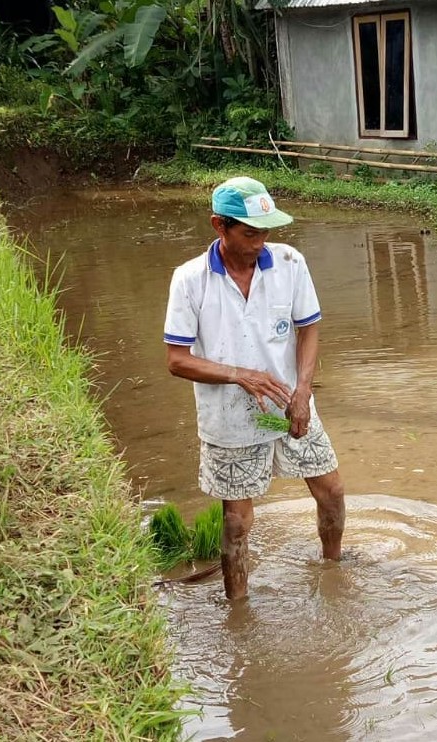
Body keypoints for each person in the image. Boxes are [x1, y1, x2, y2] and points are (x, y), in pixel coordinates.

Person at [163, 176, 346, 601]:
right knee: (237, 522)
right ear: (218, 226)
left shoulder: (289, 263)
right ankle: (238, 606)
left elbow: (309, 328)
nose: (260, 241)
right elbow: (176, 360)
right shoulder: (190, 280)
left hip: (288, 405)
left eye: (266, 231)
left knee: (332, 491)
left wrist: (303, 391)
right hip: (229, 417)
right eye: (250, 233)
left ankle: (334, 567)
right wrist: (238, 375)